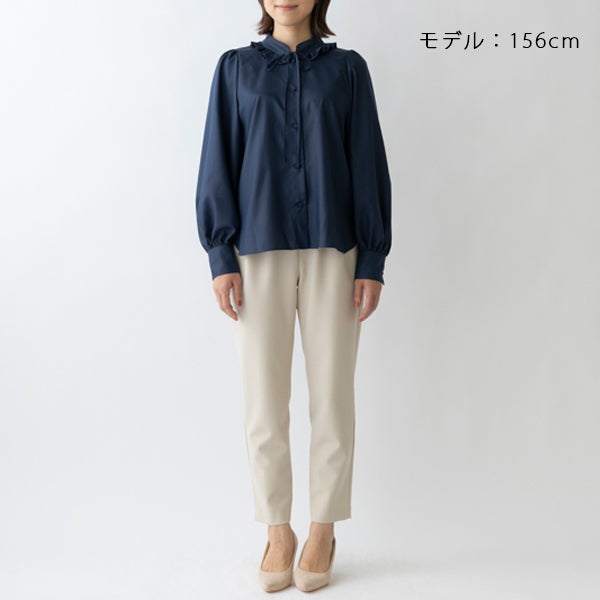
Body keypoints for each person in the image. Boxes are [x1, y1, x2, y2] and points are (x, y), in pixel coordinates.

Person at [195, 0, 391, 592]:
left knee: (333, 397)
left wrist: (372, 258)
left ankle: (323, 529)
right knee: (263, 401)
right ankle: (277, 530)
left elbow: (367, 162)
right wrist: (220, 255)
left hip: (336, 250)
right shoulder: (234, 69)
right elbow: (218, 160)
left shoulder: (348, 70)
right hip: (256, 252)